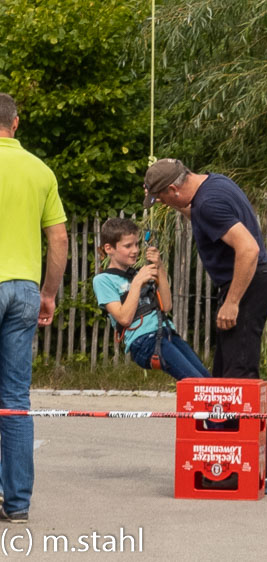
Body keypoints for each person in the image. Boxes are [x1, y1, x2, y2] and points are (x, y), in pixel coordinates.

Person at [143, 157, 267, 494]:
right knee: (226, 375)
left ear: (174, 188)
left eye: (161, 198)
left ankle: (257, 471)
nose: (162, 204)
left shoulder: (209, 204)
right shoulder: (214, 184)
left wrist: (232, 302)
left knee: (240, 377)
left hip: (246, 285)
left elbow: (248, 248)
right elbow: (198, 214)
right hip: (251, 283)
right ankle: (237, 461)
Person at [0, 92, 68, 523]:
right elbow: (58, 240)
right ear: (16, 123)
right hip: (24, 288)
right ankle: (19, 503)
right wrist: (48, 293)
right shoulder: (41, 170)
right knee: (14, 398)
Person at [93, 218, 210, 380]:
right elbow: (124, 318)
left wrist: (159, 266)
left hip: (166, 334)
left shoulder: (137, 274)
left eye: (136, 244)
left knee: (208, 380)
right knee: (196, 384)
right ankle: (205, 405)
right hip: (144, 342)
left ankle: (212, 405)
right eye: (128, 246)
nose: (135, 250)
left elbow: (166, 306)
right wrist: (137, 282)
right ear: (109, 248)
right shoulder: (103, 280)